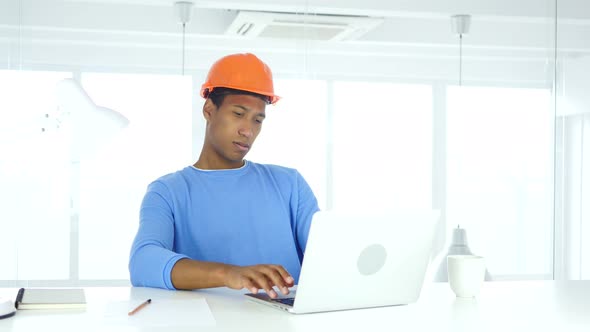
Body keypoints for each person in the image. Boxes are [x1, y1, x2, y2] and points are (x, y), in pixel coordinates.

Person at [128, 53, 320, 299]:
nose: (248, 130)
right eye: (238, 114)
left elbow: (326, 257)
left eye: (257, 120)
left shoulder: (290, 184)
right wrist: (230, 275)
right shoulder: (167, 191)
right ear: (209, 110)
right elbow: (143, 262)